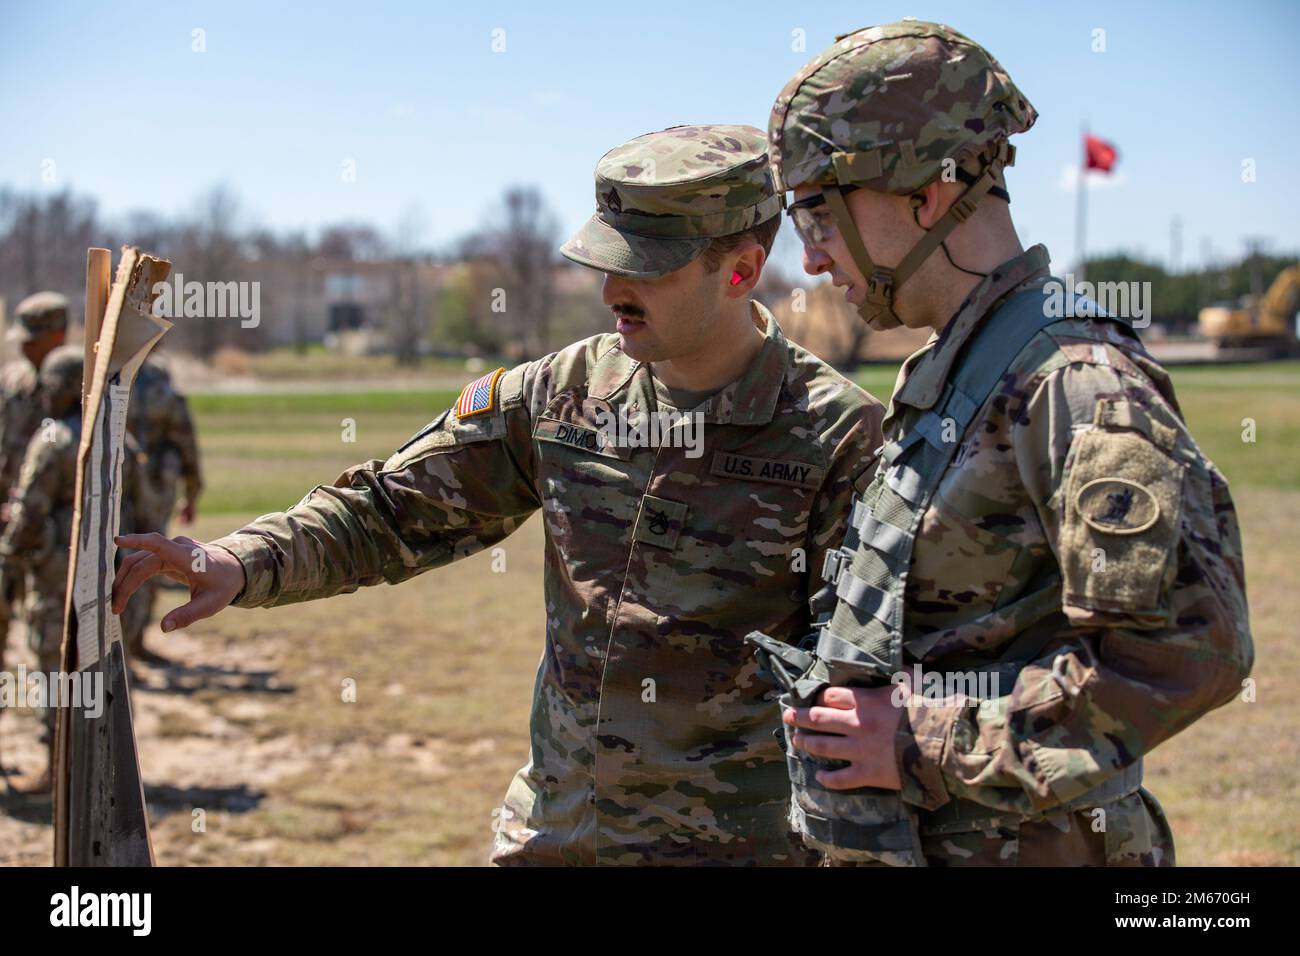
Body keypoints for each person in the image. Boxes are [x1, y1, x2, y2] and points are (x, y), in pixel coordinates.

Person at [112, 124, 885, 865]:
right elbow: (393, 510)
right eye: (608, 260)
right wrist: (240, 561)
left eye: (647, 266)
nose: (614, 289)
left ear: (741, 271)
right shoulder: (558, 395)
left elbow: (862, 691)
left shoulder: (837, 438)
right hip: (553, 842)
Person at [756, 20, 1253, 866]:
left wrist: (920, 740)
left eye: (821, 213)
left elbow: (1187, 652)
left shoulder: (1074, 382)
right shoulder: (965, 365)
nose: (809, 260)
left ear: (929, 193)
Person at [0, 346, 146, 791]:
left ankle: (57, 770)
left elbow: (29, 515)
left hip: (54, 576)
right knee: (99, 663)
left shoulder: (53, 441)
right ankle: (103, 762)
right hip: (109, 574)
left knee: (52, 664)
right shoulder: (116, 436)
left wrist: (10, 550)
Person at [0, 291, 68, 673]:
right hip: (7, 517)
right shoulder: (12, 380)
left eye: (31, 337)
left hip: (51, 531)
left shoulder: (76, 384)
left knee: (48, 624)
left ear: (56, 335)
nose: (22, 345)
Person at [120, 357, 203, 663]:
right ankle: (133, 639)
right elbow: (185, 441)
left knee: (132, 558)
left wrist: (192, 492)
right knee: (150, 556)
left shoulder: (109, 377)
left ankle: (129, 640)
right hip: (151, 487)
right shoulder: (162, 388)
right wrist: (192, 492)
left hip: (127, 484)